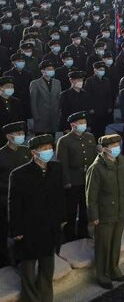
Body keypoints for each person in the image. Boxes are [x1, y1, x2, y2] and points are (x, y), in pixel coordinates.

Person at [9, 133, 64, 301]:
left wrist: (62, 218)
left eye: (50, 148)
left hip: (49, 228)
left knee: (47, 269)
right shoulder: (19, 174)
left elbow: (60, 196)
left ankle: (46, 298)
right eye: (44, 149)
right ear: (34, 152)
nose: (49, 151)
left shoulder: (56, 168)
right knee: (28, 270)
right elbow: (15, 204)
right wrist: (16, 229)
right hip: (29, 229)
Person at [86, 134, 124, 289]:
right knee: (103, 245)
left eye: (117, 144)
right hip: (104, 212)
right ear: (104, 149)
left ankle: (114, 270)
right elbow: (91, 195)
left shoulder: (122, 161)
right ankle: (103, 274)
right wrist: (94, 216)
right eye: (113, 146)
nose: (116, 148)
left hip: (120, 210)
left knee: (115, 242)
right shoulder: (96, 168)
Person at [55, 111, 97, 242]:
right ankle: (69, 234)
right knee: (71, 209)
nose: (83, 125)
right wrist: (66, 181)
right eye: (80, 123)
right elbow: (62, 163)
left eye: (84, 122)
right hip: (73, 179)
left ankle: (83, 232)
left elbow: (94, 158)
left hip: (87, 178)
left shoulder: (89, 137)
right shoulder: (64, 140)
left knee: (86, 208)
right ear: (73, 124)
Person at [0, 122, 31, 267]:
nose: (21, 136)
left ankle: (21, 258)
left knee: (23, 230)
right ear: (8, 136)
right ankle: (4, 261)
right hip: (5, 199)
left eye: (22, 133)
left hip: (26, 199)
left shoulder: (26, 151)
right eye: (17, 134)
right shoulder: (1, 154)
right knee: (5, 231)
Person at [29, 60, 61, 135]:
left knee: (52, 139)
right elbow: (33, 101)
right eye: (49, 69)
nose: (51, 71)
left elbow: (58, 99)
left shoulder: (57, 82)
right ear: (42, 71)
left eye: (52, 69)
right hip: (41, 116)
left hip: (54, 116)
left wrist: (59, 114)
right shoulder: (35, 83)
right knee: (40, 140)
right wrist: (36, 116)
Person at [0, 77, 24, 145]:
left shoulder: (17, 101)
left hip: (15, 136)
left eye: (12, 86)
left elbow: (21, 118)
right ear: (1, 87)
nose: (10, 88)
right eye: (7, 86)